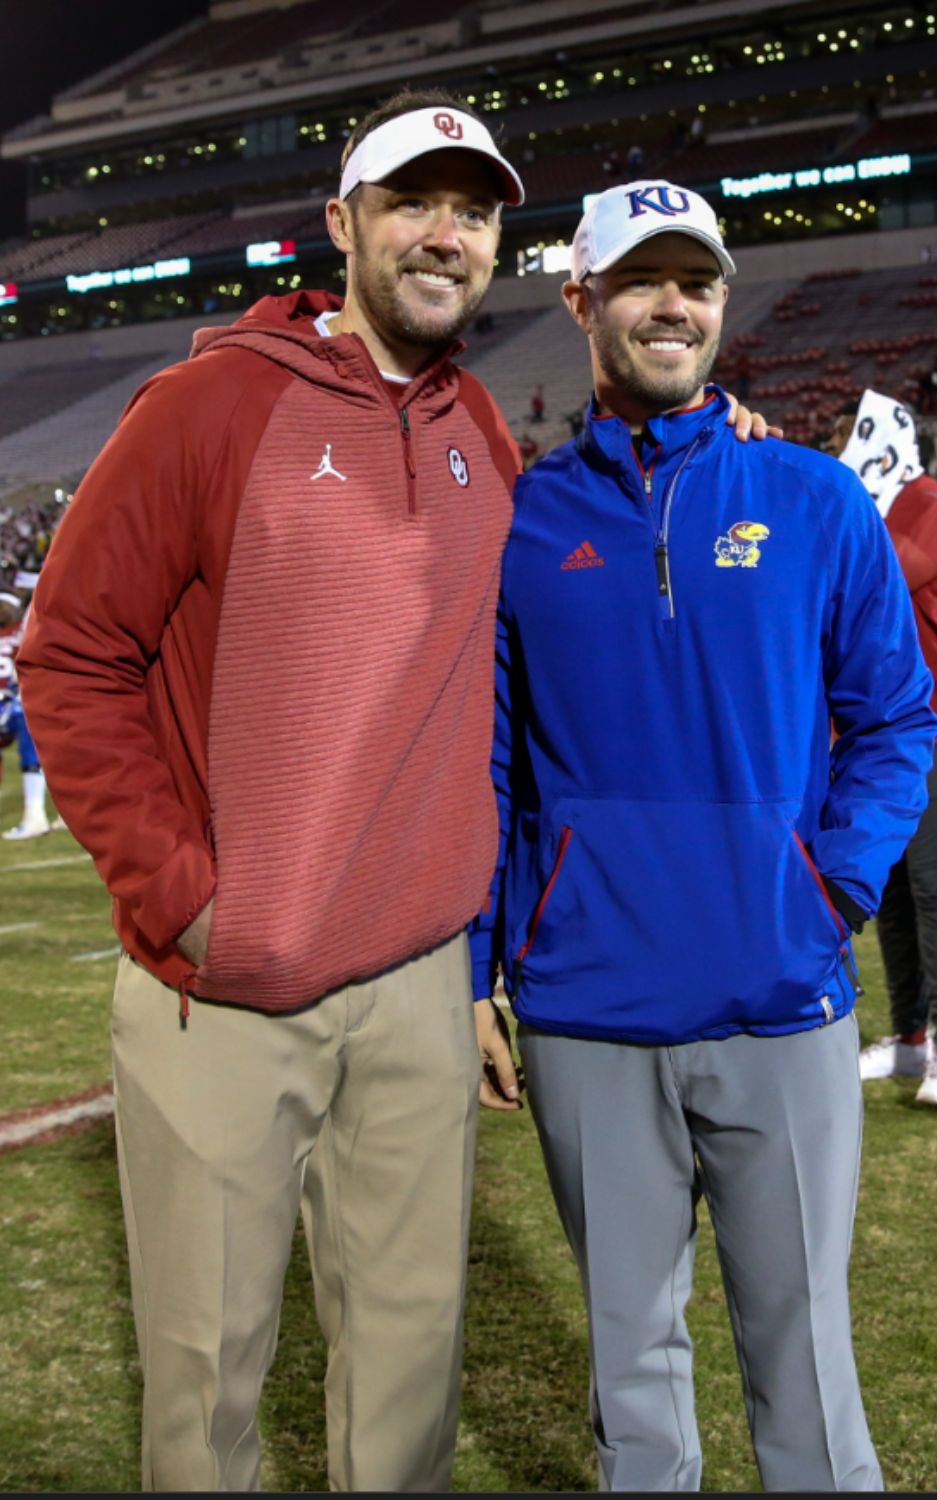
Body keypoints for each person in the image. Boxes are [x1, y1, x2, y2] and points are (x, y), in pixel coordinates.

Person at [17, 89, 530, 1495]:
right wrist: (186, 902)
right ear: (343, 225)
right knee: (204, 1390)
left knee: (411, 1378)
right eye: (415, 202)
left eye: (474, 211)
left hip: (420, 978)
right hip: (226, 989)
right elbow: (71, 651)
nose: (445, 234)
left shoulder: (483, 423)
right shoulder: (209, 403)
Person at [468, 180, 937, 1491]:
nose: (674, 304)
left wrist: (826, 888)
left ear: (722, 302)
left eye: (700, 282)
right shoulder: (522, 520)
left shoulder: (815, 500)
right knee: (634, 1380)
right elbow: (489, 769)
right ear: (583, 301)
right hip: (585, 1011)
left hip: (781, 1001)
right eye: (641, 280)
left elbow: (897, 718)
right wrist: (477, 971)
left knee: (808, 1373)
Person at [826, 392, 937, 1109]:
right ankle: (912, 1037)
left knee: (935, 890)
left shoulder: (929, 502)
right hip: (883, 730)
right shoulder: (872, 509)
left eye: (845, 441)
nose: (838, 458)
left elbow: (878, 579)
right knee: (889, 893)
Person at [0, 590, 52, 839]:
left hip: (18, 704)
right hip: (12, 704)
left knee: (29, 743)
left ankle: (35, 815)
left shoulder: (22, 631)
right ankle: (36, 815)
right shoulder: (21, 631)